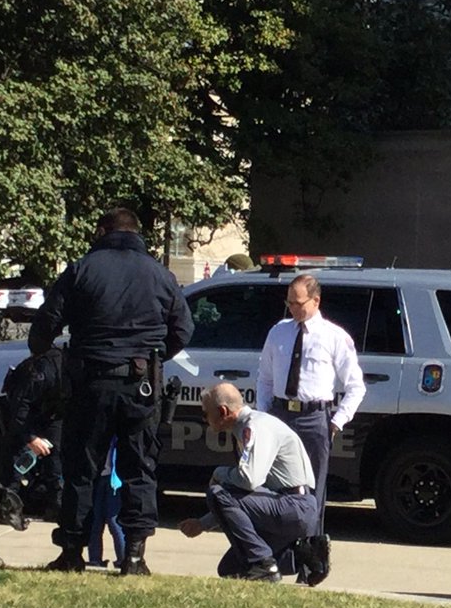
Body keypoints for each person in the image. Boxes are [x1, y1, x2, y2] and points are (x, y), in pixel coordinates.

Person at [29, 207, 194, 575]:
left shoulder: (82, 268)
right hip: (142, 385)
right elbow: (183, 328)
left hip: (91, 382)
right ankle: (134, 557)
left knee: (82, 470)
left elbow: (46, 324)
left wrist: (43, 352)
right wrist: (152, 356)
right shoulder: (159, 273)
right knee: (140, 469)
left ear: (103, 230)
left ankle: (72, 552)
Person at [179, 383, 330, 585]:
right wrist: (202, 524)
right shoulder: (245, 427)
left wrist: (219, 473)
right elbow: (243, 495)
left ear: (223, 411)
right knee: (230, 569)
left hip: (295, 506)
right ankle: (306, 553)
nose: (205, 419)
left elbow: (250, 480)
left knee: (217, 492)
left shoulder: (255, 426)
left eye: (206, 414)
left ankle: (264, 564)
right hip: (284, 506)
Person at [256, 272, 366, 533]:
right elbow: (265, 379)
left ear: (316, 301)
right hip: (280, 416)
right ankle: (277, 555)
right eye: (290, 303)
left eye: (299, 303)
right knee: (275, 486)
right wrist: (264, 416)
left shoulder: (334, 337)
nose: (293, 308)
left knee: (311, 492)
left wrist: (336, 423)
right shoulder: (278, 332)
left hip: (314, 419)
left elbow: (355, 387)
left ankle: (309, 556)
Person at [0, 346, 65, 521]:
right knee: (16, 461)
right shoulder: (36, 372)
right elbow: (19, 411)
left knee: (56, 459)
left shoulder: (67, 367)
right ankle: (5, 509)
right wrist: (31, 438)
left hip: (52, 415)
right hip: (23, 417)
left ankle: (56, 507)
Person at [87, 440, 126, 569]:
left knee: (114, 521)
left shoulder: (118, 438)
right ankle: (94, 559)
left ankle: (123, 559)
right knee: (95, 521)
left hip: (114, 481)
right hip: (98, 479)